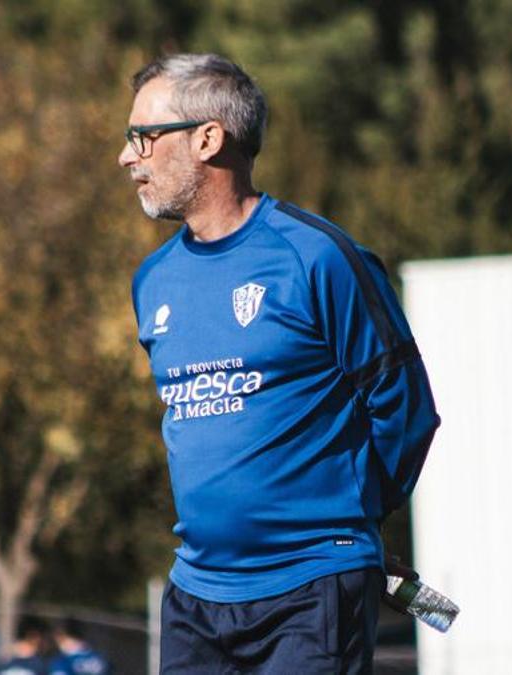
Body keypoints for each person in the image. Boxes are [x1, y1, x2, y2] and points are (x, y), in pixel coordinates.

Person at [120, 54, 440, 673]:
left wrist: (353, 522)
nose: (128, 157)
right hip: (197, 594)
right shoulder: (152, 281)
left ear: (208, 138)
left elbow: (407, 409)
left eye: (143, 137)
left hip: (312, 587)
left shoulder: (318, 258)